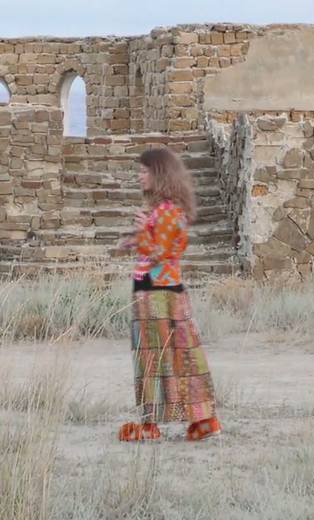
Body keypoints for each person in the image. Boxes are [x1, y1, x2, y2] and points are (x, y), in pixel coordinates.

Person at [114, 147, 222, 442]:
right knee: (183, 354)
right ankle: (203, 420)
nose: (140, 177)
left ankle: (150, 425)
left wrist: (142, 233)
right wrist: (134, 240)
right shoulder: (170, 211)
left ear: (159, 174)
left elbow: (160, 254)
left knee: (152, 357)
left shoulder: (166, 212)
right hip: (164, 290)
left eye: (144, 171)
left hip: (156, 294)